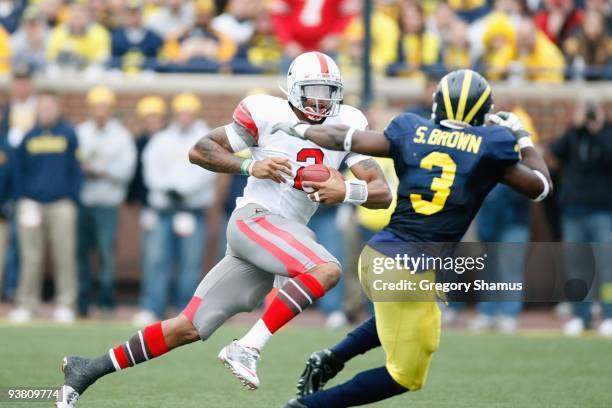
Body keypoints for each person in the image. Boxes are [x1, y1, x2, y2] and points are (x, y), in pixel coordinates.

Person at [55, 52, 392, 407]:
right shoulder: (266, 111)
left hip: (281, 238)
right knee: (326, 267)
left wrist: (349, 191)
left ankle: (86, 369)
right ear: (293, 88)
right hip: (254, 220)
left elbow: (382, 192)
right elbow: (201, 150)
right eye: (313, 91)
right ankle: (248, 346)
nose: (322, 101)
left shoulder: (347, 121)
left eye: (329, 92)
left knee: (189, 326)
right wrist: (250, 165)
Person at [274, 68, 552, 407]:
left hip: (378, 254)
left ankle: (330, 359)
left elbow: (345, 138)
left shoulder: (411, 129)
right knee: (406, 375)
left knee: (398, 317)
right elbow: (541, 186)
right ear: (484, 112)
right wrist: (520, 134)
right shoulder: (491, 148)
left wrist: (299, 127)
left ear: (437, 105)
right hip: (410, 266)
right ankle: (307, 407)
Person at [135, 92, 216, 323]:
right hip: (163, 208)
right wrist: (167, 188)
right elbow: (150, 169)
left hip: (192, 209)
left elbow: (207, 171)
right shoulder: (162, 139)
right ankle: (152, 307)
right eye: (182, 113)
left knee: (190, 264)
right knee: (156, 260)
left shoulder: (205, 138)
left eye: (189, 113)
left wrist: (184, 189)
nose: (185, 118)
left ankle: (185, 311)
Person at [8, 91, 83, 324]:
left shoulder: (69, 134)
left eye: (50, 106)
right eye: (42, 107)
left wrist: (72, 197)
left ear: (58, 108)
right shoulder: (29, 136)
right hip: (31, 204)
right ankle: (26, 304)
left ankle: (66, 304)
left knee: (65, 256)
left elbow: (76, 169)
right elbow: (18, 171)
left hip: (61, 203)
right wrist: (22, 198)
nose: (46, 111)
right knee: (30, 257)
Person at [548, 101, 612, 337]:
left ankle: (608, 315)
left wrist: (599, 130)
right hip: (573, 212)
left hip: (603, 212)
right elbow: (555, 153)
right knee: (576, 268)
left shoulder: (607, 134)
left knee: (607, 269)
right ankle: (581, 316)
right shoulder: (574, 136)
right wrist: (575, 128)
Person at [76, 86, 136, 317]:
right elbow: (72, 165)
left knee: (106, 254)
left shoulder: (121, 135)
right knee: (80, 254)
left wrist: (101, 170)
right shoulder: (81, 132)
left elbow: (126, 170)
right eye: (96, 107)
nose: (100, 112)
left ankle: (106, 301)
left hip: (107, 202)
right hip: (83, 200)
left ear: (110, 110)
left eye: (104, 107)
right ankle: (82, 303)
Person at [109, 0, 163, 73]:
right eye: (131, 13)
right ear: (126, 15)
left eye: (137, 13)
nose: (134, 16)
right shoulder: (116, 37)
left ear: (142, 14)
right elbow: (112, 61)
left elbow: (159, 63)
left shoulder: (154, 38)